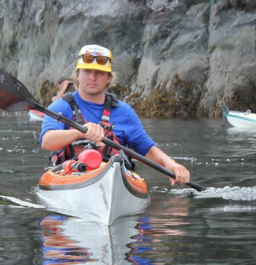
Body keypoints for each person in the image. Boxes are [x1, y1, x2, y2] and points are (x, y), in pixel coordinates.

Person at [40, 44, 190, 186]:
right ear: (77, 75)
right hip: (71, 176)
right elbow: (47, 141)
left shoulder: (124, 112)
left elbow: (146, 148)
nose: (93, 77)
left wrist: (171, 165)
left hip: (114, 178)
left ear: (109, 78)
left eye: (99, 73)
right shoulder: (61, 106)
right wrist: (79, 132)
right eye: (87, 71)